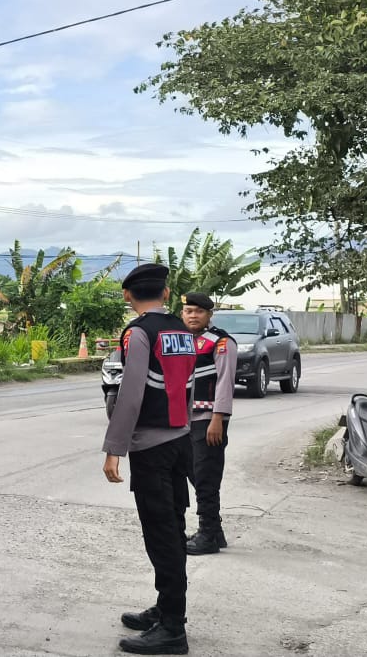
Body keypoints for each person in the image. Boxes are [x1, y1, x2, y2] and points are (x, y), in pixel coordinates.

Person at [103, 263, 196, 655]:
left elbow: (131, 394)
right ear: (167, 293)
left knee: (161, 534)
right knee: (173, 527)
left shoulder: (138, 333)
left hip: (152, 448)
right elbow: (189, 385)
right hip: (180, 441)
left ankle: (173, 627)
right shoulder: (182, 330)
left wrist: (115, 448)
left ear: (128, 295)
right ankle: (166, 607)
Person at [179, 293, 237, 555]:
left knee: (206, 478)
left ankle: (208, 536)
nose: (193, 316)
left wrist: (218, 418)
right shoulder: (182, 340)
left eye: (198, 311)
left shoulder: (221, 342)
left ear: (209, 315)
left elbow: (225, 382)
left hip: (209, 421)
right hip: (186, 420)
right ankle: (214, 531)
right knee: (194, 473)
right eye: (188, 311)